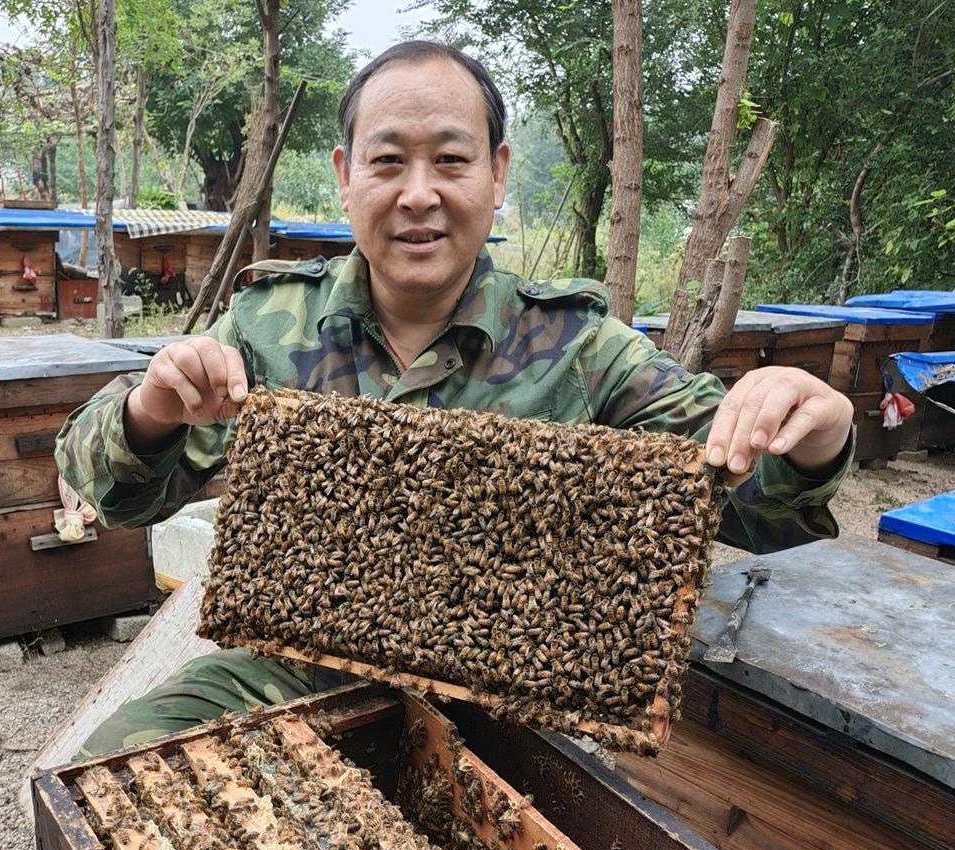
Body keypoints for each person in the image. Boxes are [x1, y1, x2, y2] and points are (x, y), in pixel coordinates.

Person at [56, 41, 855, 756]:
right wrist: (153, 406)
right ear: (344, 176)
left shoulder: (578, 344)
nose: (418, 194)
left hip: (523, 713)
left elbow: (752, 501)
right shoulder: (268, 322)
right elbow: (115, 498)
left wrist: (813, 430)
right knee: (110, 775)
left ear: (498, 173)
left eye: (450, 160)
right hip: (294, 678)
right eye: (387, 162)